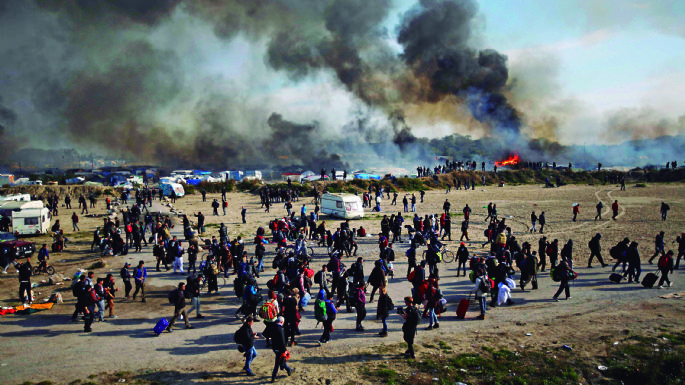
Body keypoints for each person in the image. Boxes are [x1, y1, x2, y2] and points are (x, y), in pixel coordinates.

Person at [271, 316, 294, 382]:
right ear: (281, 322)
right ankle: (273, 377)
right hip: (280, 349)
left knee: (282, 360)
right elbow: (282, 341)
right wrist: (285, 350)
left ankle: (289, 370)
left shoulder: (273, 327)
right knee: (278, 363)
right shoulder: (280, 329)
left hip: (274, 348)